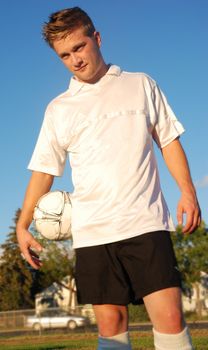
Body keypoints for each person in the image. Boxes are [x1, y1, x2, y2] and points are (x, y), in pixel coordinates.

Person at [17, 7, 201, 350]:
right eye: (65, 55)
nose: (75, 59)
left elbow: (169, 141)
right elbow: (44, 169)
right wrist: (23, 223)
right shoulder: (59, 108)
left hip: (145, 223)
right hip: (92, 232)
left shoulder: (140, 84)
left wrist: (188, 191)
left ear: (96, 38)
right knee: (111, 326)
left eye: (79, 47)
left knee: (171, 320)